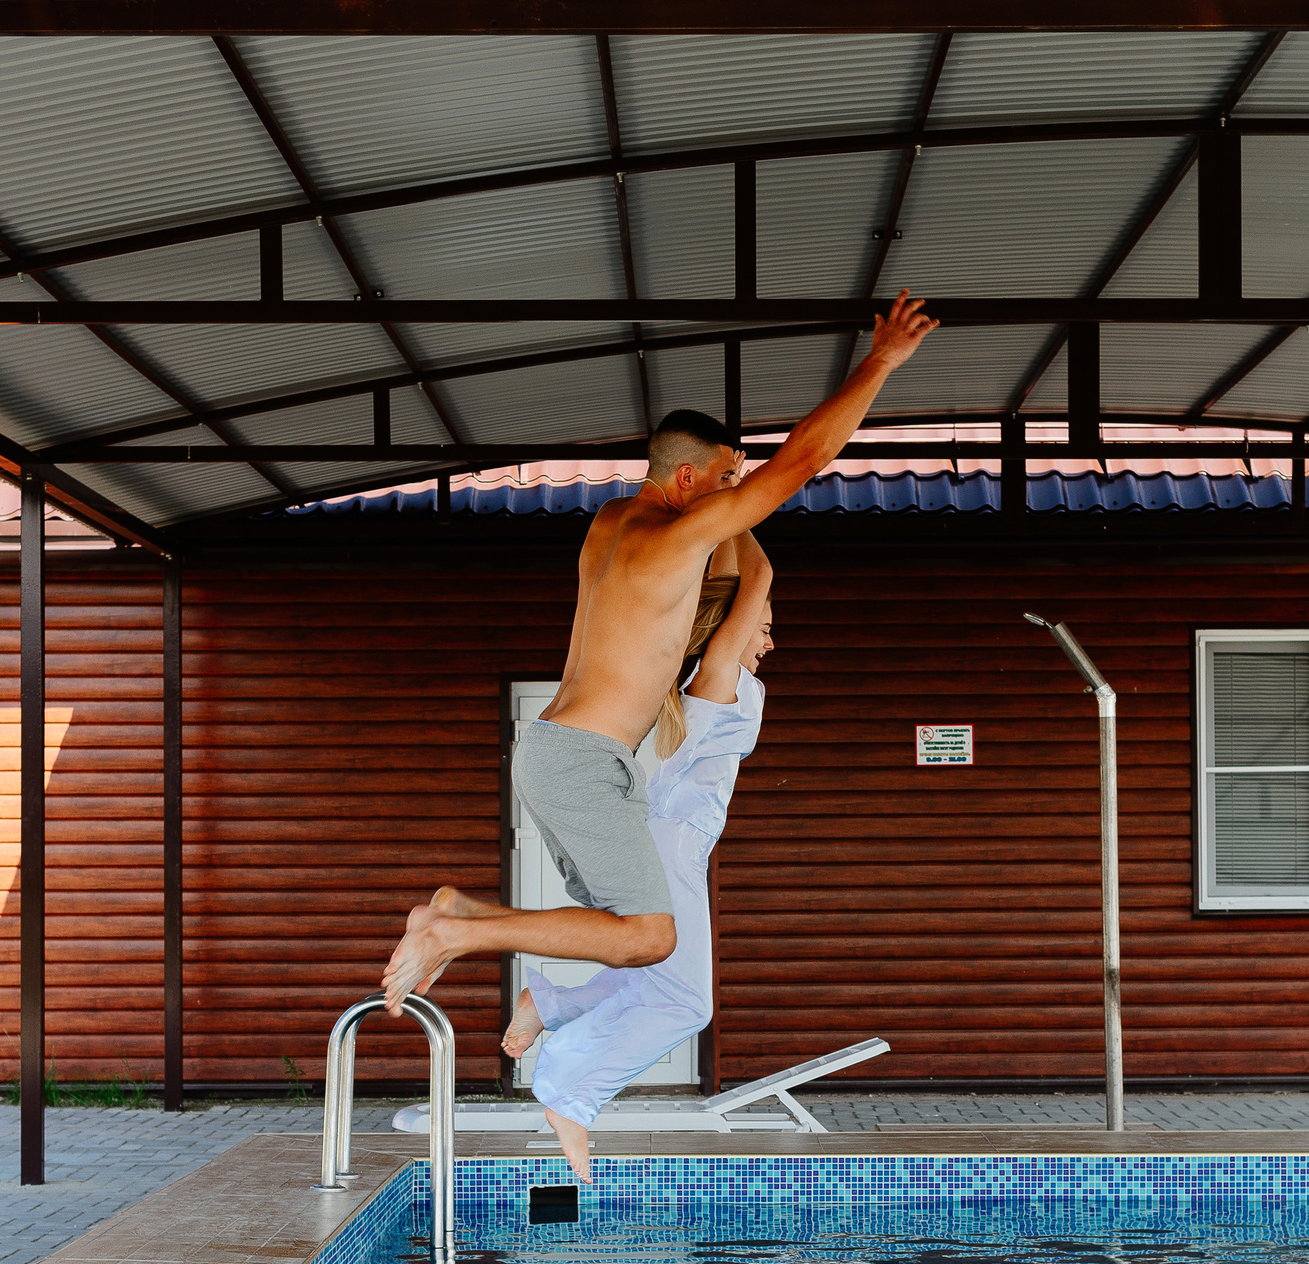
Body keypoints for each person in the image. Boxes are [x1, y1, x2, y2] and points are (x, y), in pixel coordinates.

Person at [379, 289, 938, 1014]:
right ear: (686, 482)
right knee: (648, 936)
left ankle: (464, 914)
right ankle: (450, 931)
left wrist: (737, 488)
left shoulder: (610, 520)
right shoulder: (674, 539)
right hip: (580, 759)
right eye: (722, 483)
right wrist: (881, 360)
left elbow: (758, 566)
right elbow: (803, 461)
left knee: (616, 928)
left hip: (561, 752)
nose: (731, 499)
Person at [503, 544, 773, 1182]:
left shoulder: (705, 686)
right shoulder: (715, 679)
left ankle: (548, 1004)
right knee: (686, 1002)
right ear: (731, 629)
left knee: (654, 978)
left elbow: (745, 584)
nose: (768, 641)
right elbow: (756, 577)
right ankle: (572, 1096)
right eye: (763, 628)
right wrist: (736, 501)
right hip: (674, 841)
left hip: (674, 840)